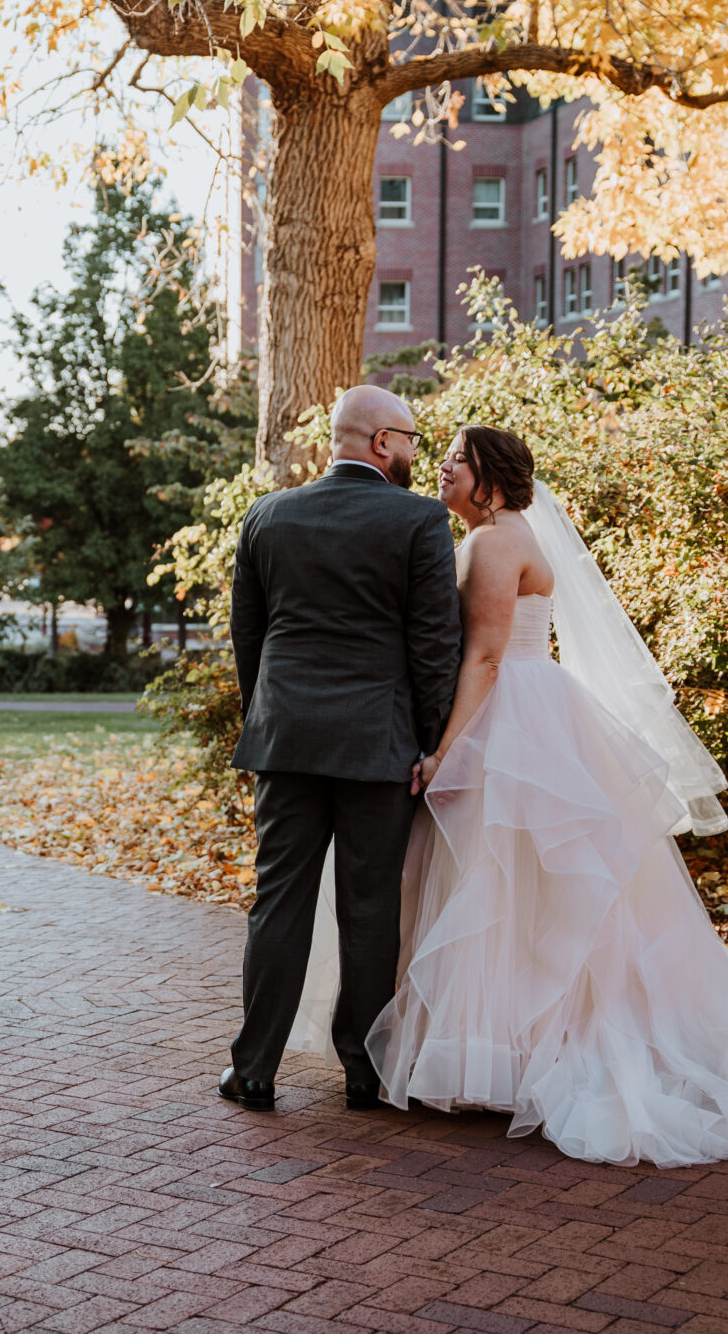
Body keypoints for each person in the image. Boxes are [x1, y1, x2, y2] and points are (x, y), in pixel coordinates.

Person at [293, 424, 728, 1167]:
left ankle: (500, 1053)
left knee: (502, 882)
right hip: (531, 710)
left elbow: (489, 655)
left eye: (456, 460)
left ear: (488, 479)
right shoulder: (507, 533)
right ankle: (501, 1045)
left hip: (509, 716)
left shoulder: (494, 543)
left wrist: (447, 749)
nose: (441, 468)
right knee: (513, 887)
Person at [218, 385, 464, 1113]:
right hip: (376, 745)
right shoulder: (420, 519)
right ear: (382, 442)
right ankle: (364, 1071)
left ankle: (254, 1069)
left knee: (278, 901)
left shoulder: (268, 514)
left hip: (286, 739)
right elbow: (434, 645)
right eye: (414, 439)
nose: (419, 453)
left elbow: (248, 637)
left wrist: (270, 715)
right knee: (369, 906)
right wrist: (430, 741)